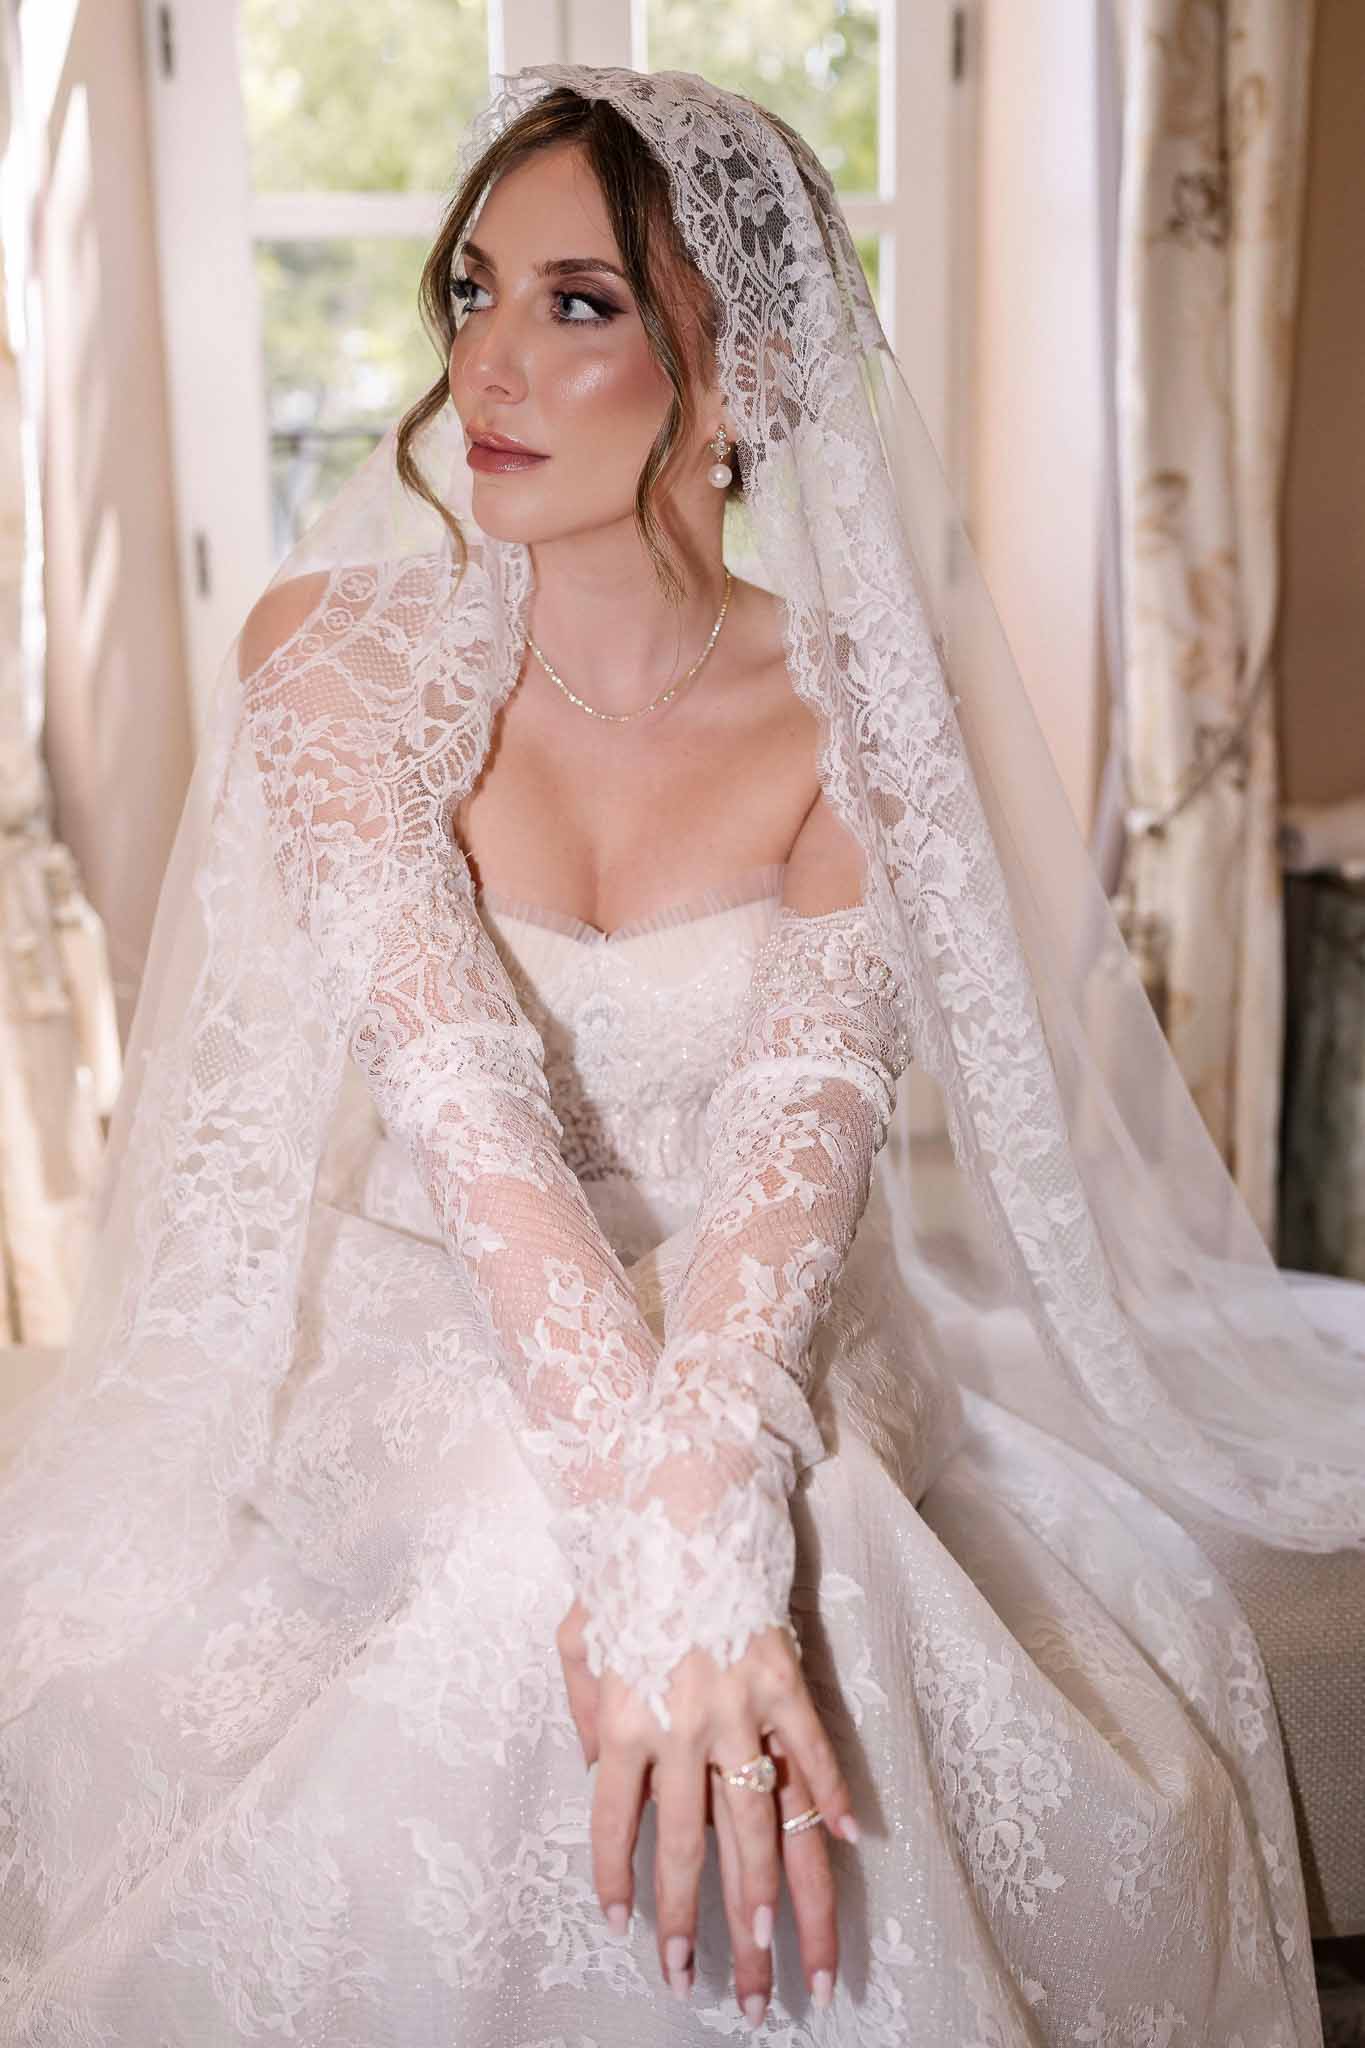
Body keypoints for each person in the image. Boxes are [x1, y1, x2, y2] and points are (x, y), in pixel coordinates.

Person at [1, 63, 1363, 2047]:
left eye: (577, 304)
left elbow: (795, 1156)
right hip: (437, 1292)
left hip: (768, 1307)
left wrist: (711, 1522)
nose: (487, 361)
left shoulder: (858, 729)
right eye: (473, 291)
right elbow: (469, 1118)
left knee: (804, 1550)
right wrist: (653, 1552)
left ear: (733, 377)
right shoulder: (332, 657)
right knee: (509, 1524)